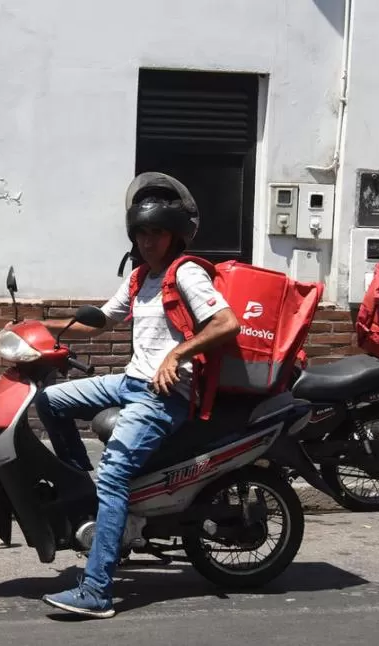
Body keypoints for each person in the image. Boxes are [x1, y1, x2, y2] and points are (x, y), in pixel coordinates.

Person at [35, 173, 241, 618]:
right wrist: (41, 328)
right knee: (49, 401)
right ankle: (82, 492)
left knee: (114, 476)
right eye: (142, 233)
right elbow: (104, 320)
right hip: (130, 381)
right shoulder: (139, 276)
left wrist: (177, 356)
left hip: (163, 395)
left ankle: (97, 591)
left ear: (175, 235)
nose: (149, 241)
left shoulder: (185, 273)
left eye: (157, 232)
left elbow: (227, 323)